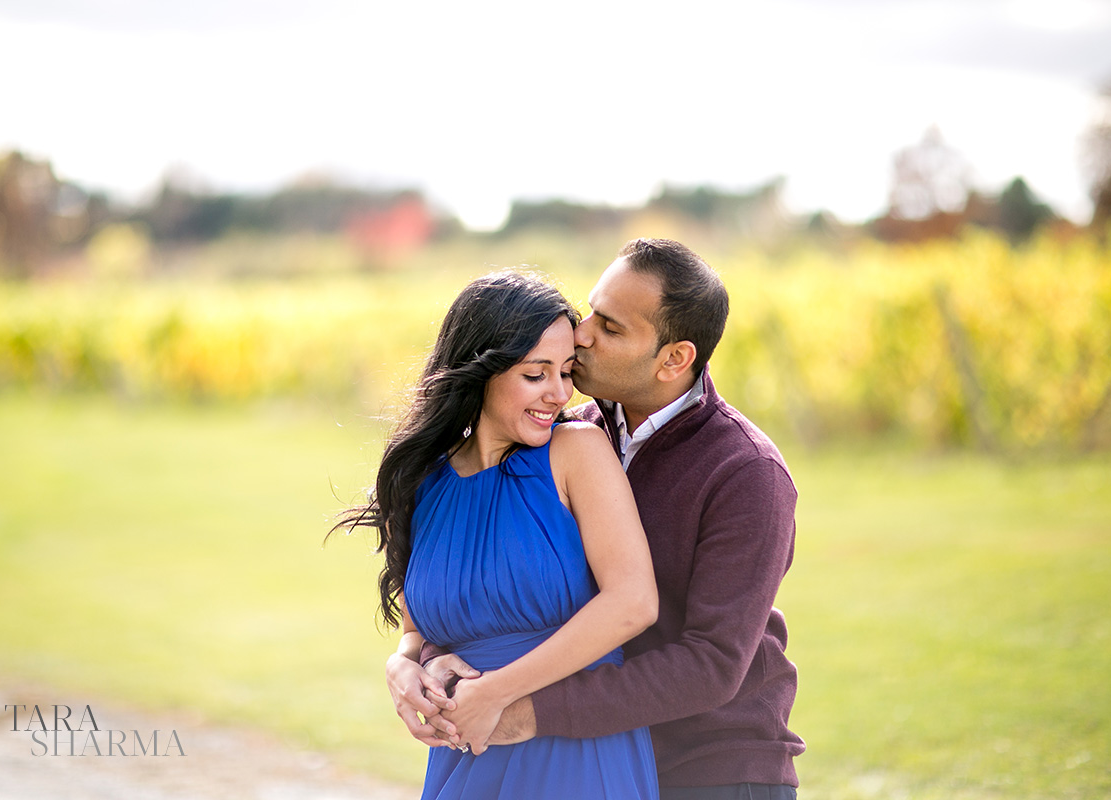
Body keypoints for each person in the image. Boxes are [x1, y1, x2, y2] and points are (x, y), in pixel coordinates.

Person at [394, 239, 805, 799]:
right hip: (567, 744)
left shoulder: (744, 473)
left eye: (610, 327)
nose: (582, 333)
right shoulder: (552, 436)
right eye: (591, 311)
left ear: (674, 359)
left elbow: (711, 663)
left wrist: (526, 710)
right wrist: (415, 662)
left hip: (712, 767)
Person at [336, 271, 661, 798]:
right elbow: (420, 633)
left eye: (566, 371)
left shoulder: (576, 451)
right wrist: (401, 665)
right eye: (537, 375)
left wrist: (496, 694)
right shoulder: (421, 483)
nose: (559, 393)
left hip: (576, 756)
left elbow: (633, 602)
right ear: (481, 372)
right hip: (467, 756)